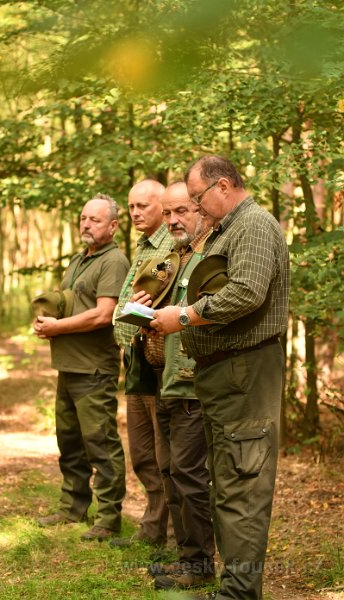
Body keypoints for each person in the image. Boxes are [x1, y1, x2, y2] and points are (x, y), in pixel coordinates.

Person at [150, 156, 290, 599]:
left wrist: (185, 318)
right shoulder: (229, 229)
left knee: (243, 485)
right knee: (228, 483)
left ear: (224, 185)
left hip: (246, 372)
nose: (196, 206)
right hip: (225, 374)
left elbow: (247, 291)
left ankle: (239, 594)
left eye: (197, 198)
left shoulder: (252, 226)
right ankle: (233, 587)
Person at [133, 181, 216, 590]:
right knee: (173, 473)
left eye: (180, 210)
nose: (173, 220)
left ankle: (200, 566)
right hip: (164, 381)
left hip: (192, 384)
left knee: (189, 475)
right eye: (167, 213)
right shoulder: (176, 257)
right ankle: (188, 559)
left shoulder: (209, 256)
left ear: (200, 207)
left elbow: (213, 313)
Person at [34, 194, 129, 541]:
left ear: (113, 226)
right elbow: (74, 305)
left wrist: (57, 328)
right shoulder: (78, 260)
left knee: (100, 443)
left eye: (95, 219)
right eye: (83, 218)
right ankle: (72, 508)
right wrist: (47, 320)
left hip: (94, 369)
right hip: (68, 365)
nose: (87, 224)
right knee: (70, 442)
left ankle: (107, 519)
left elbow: (105, 314)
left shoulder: (114, 260)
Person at [112, 179, 173, 546]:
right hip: (135, 361)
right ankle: (153, 528)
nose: (135, 213)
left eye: (143, 206)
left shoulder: (170, 246)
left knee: (165, 452)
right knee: (142, 452)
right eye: (131, 207)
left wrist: (131, 315)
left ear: (161, 207)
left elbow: (150, 306)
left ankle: (169, 533)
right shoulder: (144, 244)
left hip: (157, 361)